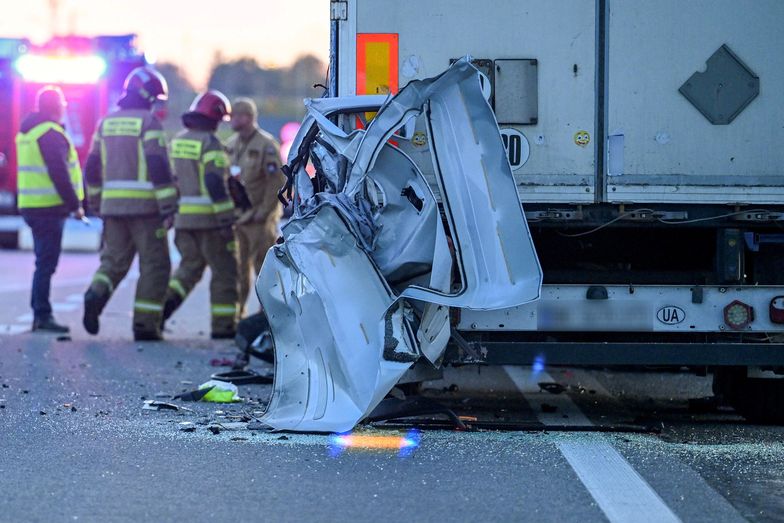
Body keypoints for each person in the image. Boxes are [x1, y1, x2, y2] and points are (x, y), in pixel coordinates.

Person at [82, 67, 178, 341]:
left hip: (113, 208)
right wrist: (168, 207)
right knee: (155, 265)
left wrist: (96, 201)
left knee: (113, 261)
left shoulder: (106, 122)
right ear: (147, 95)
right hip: (145, 210)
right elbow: (158, 166)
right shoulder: (148, 123)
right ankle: (145, 325)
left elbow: (91, 167)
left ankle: (95, 294)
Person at [161, 91, 239, 339]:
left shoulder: (179, 140)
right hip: (210, 222)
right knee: (225, 272)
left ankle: (159, 312)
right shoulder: (211, 143)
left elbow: (172, 180)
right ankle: (223, 327)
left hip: (184, 220)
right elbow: (215, 182)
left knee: (187, 271)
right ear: (214, 118)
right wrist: (226, 220)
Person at [15, 86, 85, 333]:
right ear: (58, 107)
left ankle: (40, 314)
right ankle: (42, 315)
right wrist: (75, 205)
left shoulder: (28, 132)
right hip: (48, 208)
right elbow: (59, 173)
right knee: (46, 263)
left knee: (42, 261)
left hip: (31, 206)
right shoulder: (50, 133)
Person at [224, 98, 285, 316]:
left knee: (263, 269)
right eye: (232, 116)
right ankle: (237, 313)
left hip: (260, 220)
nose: (233, 120)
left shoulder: (266, 145)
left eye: (237, 116)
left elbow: (275, 181)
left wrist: (263, 212)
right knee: (237, 270)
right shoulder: (231, 145)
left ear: (249, 118)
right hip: (237, 218)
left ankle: (266, 315)